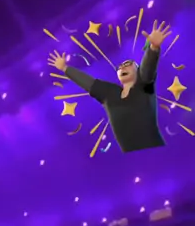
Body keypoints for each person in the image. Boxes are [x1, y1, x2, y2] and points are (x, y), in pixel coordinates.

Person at [48, 20, 172, 153]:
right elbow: (88, 82)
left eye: (128, 64)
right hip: (131, 157)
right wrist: (65, 68)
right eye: (120, 67)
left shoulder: (144, 86)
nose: (122, 67)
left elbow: (147, 69)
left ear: (137, 70)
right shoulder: (110, 93)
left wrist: (153, 48)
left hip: (156, 151)